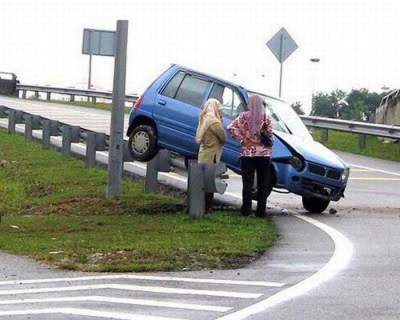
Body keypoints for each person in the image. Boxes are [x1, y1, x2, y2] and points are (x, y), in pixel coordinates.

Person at [227, 95, 273, 217]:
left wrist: (242, 140)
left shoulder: (243, 116)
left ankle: (246, 210)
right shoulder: (266, 118)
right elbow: (270, 136)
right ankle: (261, 211)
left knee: (247, 182)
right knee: (263, 183)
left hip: (248, 153)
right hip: (264, 155)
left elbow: (230, 128)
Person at [195, 98, 227, 211]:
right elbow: (223, 138)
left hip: (203, 153)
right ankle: (207, 207)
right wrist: (221, 122)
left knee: (202, 181)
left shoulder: (203, 118)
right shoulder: (214, 122)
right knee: (210, 182)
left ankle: (200, 205)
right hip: (212, 155)